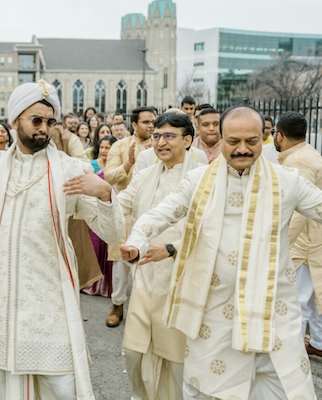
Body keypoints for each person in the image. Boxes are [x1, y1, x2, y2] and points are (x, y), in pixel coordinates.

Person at [120, 105, 322, 399]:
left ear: (263, 137)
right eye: (234, 141)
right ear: (221, 138)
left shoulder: (286, 181)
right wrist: (137, 242)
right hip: (214, 318)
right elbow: (157, 216)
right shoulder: (199, 180)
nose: (243, 149)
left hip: (272, 318)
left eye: (251, 141)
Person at [0, 80, 124, 399]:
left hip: (49, 302)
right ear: (14, 121)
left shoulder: (70, 169)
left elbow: (111, 233)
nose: (44, 128)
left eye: (50, 122)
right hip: (0, 300)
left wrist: (106, 195)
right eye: (36, 120)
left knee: (62, 387)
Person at [119, 112, 204, 399]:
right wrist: (100, 195)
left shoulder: (204, 177)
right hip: (145, 276)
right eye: (156, 136)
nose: (160, 142)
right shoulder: (144, 176)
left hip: (181, 279)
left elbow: (210, 229)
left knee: (175, 360)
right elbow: (119, 206)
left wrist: (171, 249)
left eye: (169, 136)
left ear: (188, 140)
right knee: (133, 352)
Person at [273, 112, 322, 358]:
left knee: (298, 297)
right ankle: (318, 342)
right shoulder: (305, 154)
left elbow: (299, 209)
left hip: (305, 242)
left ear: (279, 135)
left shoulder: (299, 161)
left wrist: (282, 242)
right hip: (312, 239)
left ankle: (292, 349)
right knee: (312, 297)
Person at [103, 106, 155, 328]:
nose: (151, 126)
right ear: (134, 125)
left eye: (153, 121)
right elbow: (108, 175)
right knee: (121, 263)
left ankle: (144, 311)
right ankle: (118, 304)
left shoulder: (160, 146)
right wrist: (129, 163)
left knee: (149, 262)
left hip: (152, 211)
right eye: (146, 122)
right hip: (126, 212)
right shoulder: (120, 145)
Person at [83, 135, 118, 297]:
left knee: (110, 249)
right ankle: (92, 284)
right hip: (94, 209)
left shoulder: (116, 167)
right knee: (95, 247)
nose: (105, 151)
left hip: (112, 209)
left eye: (108, 147)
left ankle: (108, 287)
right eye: (102, 147)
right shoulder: (92, 166)